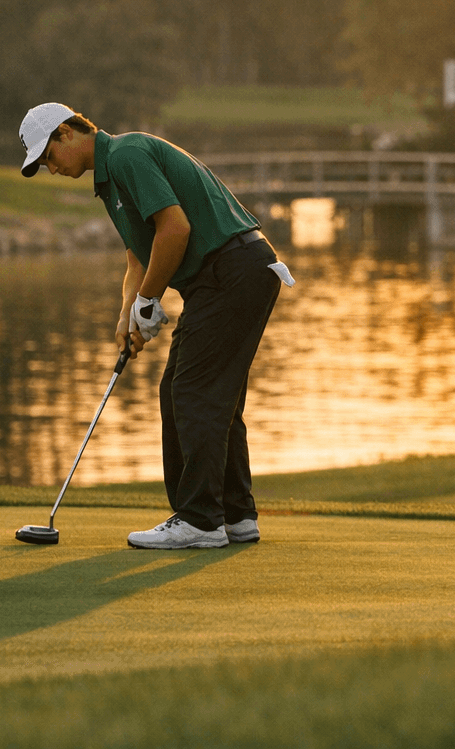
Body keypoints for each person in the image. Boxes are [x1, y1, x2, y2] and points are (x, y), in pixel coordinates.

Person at [17, 103, 293, 550]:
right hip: (231, 274)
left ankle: (201, 519)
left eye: (48, 157)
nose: (49, 169)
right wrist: (129, 311)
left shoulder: (126, 155)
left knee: (192, 392)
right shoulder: (109, 180)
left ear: (67, 133)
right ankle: (235, 515)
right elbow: (139, 253)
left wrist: (149, 299)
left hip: (232, 270)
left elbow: (175, 229)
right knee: (201, 393)